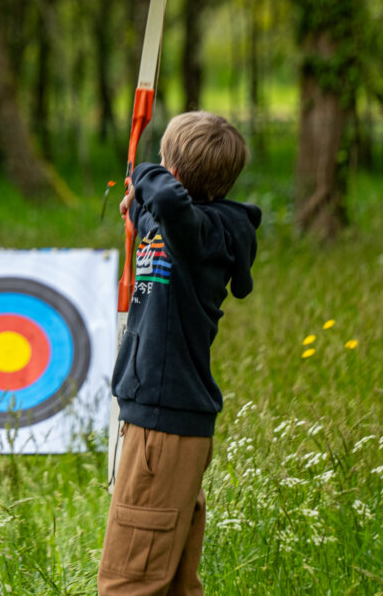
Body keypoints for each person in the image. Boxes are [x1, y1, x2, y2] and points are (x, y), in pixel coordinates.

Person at [98, 111, 262, 595]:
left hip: (162, 428)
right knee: (172, 584)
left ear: (174, 173)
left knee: (128, 582)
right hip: (166, 426)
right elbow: (157, 209)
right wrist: (134, 203)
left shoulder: (205, 233)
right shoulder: (181, 227)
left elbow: (167, 199)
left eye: (165, 162)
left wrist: (142, 173)